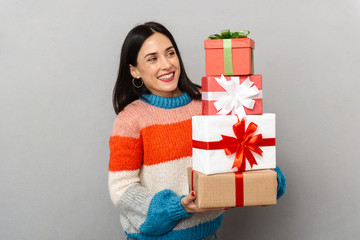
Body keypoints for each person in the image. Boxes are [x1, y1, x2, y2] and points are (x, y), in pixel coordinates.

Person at [108, 21, 286, 240]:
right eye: (152, 58)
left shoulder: (210, 101)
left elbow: (238, 148)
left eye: (170, 53)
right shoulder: (130, 119)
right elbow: (122, 189)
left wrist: (266, 176)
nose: (166, 65)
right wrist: (176, 207)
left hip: (207, 235)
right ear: (134, 70)